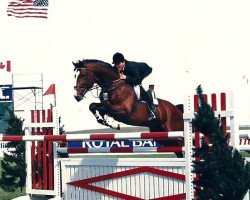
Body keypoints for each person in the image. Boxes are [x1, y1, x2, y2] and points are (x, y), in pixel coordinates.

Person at [112, 52, 156, 121]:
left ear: (123, 61)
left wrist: (126, 77)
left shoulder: (131, 66)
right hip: (136, 75)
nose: (116, 66)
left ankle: (152, 110)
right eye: (115, 64)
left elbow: (137, 80)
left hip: (146, 73)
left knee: (143, 89)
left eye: (118, 64)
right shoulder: (117, 66)